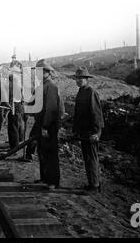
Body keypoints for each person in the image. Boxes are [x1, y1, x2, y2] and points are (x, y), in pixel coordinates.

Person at [31, 59, 64, 190]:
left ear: (47, 73)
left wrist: (45, 127)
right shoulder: (42, 86)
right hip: (41, 124)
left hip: (49, 126)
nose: (38, 74)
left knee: (50, 154)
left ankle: (53, 181)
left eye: (41, 71)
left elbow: (50, 109)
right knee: (42, 152)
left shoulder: (51, 86)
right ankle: (44, 178)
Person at [72, 67, 104, 193]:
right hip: (84, 132)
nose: (79, 81)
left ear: (87, 79)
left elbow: (96, 114)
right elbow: (78, 113)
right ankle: (93, 183)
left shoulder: (91, 92)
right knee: (88, 158)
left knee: (92, 158)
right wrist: (75, 129)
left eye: (81, 78)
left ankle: (95, 186)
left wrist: (96, 132)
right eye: (77, 78)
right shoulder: (81, 91)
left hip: (91, 132)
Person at [7, 60, 25, 150]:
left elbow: (12, 93)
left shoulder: (15, 79)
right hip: (19, 103)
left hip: (14, 103)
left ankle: (14, 147)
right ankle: (19, 142)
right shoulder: (20, 78)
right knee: (19, 124)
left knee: (13, 125)